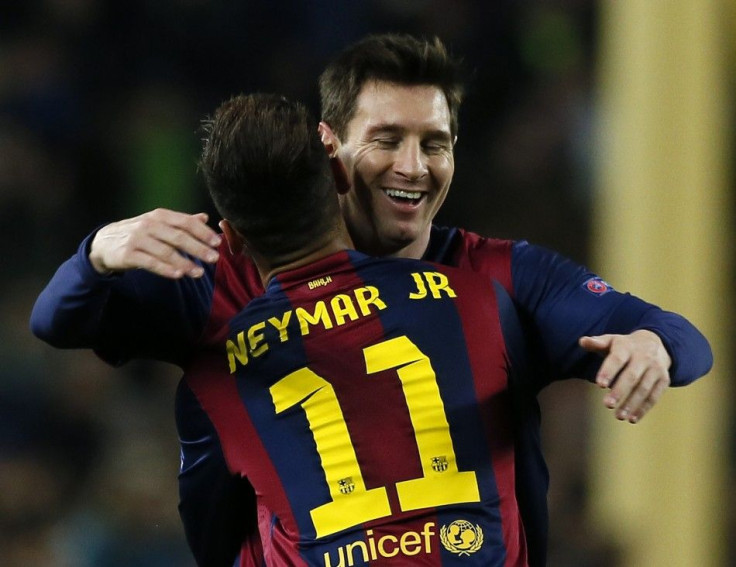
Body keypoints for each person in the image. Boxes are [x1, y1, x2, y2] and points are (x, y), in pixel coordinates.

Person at [30, 34, 713, 567]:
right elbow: (58, 318)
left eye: (434, 143)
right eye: (387, 140)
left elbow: (677, 335)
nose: (413, 166)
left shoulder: (499, 272)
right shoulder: (224, 275)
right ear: (331, 149)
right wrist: (100, 248)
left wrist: (652, 344)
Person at [191, 90, 534, 565]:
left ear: (230, 238)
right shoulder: (476, 301)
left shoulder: (215, 377)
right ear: (339, 174)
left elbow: (211, 537)